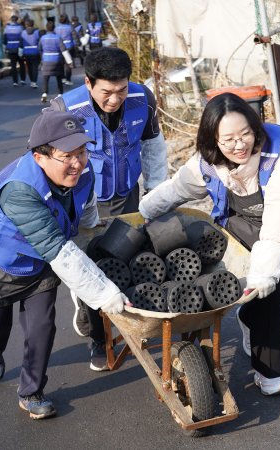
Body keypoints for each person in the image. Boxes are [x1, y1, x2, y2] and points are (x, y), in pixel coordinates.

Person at [138, 93, 280, 396]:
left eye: (246, 133)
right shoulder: (207, 162)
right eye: (229, 139)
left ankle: (248, 318)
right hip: (240, 226)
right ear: (213, 140)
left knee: (273, 287)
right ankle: (268, 372)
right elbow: (178, 189)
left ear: (255, 127)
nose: (240, 145)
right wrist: (144, 212)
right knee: (267, 304)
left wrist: (264, 273)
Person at [0, 110, 131, 420]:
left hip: (42, 258)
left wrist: (93, 227)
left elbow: (87, 201)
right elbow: (59, 252)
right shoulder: (20, 191)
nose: (78, 162)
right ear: (40, 157)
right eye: (67, 155)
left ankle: (31, 391)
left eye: (82, 152)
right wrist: (108, 296)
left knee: (41, 325)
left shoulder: (81, 172)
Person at [47, 46, 167, 371]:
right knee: (90, 267)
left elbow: (153, 145)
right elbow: (46, 162)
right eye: (107, 92)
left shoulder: (143, 99)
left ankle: (129, 321)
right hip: (84, 203)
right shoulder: (64, 109)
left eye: (122, 90)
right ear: (88, 83)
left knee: (123, 261)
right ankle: (99, 340)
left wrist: (156, 191)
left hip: (127, 196)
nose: (115, 99)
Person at [38, 21, 71, 104]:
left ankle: (45, 93)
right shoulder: (58, 37)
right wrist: (69, 61)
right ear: (54, 28)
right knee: (59, 78)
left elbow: (40, 49)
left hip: (46, 60)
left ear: (46, 28)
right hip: (57, 60)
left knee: (45, 78)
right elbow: (63, 49)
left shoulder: (42, 38)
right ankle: (60, 94)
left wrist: (42, 59)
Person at [54, 14, 78, 85]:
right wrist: (77, 45)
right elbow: (75, 37)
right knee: (68, 63)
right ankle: (68, 79)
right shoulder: (70, 27)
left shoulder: (56, 28)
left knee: (61, 64)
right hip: (69, 47)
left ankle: (62, 78)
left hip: (60, 48)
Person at [3, 15, 26, 86]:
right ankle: (22, 80)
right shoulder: (20, 27)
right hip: (19, 48)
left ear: (11, 20)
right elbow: (23, 38)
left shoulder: (6, 28)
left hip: (10, 48)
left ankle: (15, 82)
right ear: (17, 20)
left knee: (13, 65)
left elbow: (4, 39)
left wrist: (5, 48)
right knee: (22, 64)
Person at [20, 20, 41, 88]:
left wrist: (21, 53)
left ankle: (31, 81)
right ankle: (34, 82)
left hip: (26, 52)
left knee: (29, 67)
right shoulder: (37, 32)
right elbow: (39, 42)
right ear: (33, 24)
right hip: (35, 52)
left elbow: (21, 43)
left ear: (26, 25)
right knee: (35, 67)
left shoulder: (23, 32)